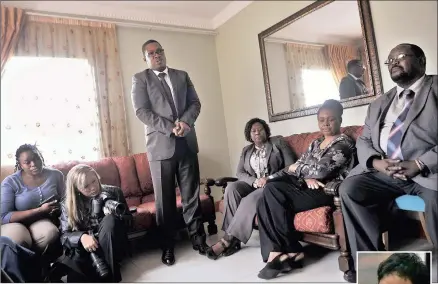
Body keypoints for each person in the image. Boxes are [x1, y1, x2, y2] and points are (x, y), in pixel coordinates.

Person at [339, 43, 437, 283]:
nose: (393, 62)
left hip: (427, 172)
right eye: (389, 59)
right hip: (385, 171)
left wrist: (420, 163)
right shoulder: (379, 103)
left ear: (422, 60)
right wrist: (376, 162)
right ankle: (373, 268)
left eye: (401, 56)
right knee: (350, 189)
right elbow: (363, 140)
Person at [256, 99, 356, 280]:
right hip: (306, 186)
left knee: (272, 192)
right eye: (321, 119)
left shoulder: (344, 143)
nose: (325, 124)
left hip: (326, 191)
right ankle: (288, 252)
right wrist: (305, 175)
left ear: (340, 120)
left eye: (331, 119)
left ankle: (281, 251)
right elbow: (298, 166)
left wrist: (303, 171)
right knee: (267, 192)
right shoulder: (315, 143)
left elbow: (322, 170)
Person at [131, 39, 207, 266]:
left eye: (159, 51)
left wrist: (185, 122)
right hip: (160, 147)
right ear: (145, 58)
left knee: (191, 195)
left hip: (187, 143)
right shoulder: (140, 79)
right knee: (164, 201)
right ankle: (167, 246)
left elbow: (195, 103)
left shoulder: (182, 75)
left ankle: (199, 240)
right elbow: (142, 111)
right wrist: (169, 127)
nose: (157, 55)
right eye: (151, 53)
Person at [207, 118, 295, 260]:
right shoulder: (247, 150)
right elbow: (240, 173)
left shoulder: (278, 142)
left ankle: (228, 239)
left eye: (260, 129)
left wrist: (269, 178)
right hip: (254, 184)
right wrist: (254, 182)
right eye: (253, 131)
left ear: (266, 130)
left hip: (273, 184)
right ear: (249, 135)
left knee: (249, 198)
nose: (257, 132)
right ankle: (234, 240)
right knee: (231, 188)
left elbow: (291, 167)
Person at [59, 164, 130, 283]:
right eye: (86, 186)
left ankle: (112, 278)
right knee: (77, 278)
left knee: (110, 221)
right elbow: (64, 236)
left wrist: (117, 216)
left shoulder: (114, 192)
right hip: (86, 250)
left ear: (98, 177)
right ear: (77, 189)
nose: (93, 187)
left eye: (94, 181)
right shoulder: (68, 205)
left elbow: (129, 221)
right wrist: (81, 237)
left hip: (110, 244)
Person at [1, 144, 64, 254]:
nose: (34, 164)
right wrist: (39, 210)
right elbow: (4, 216)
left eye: (36, 158)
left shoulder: (56, 175)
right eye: (27, 162)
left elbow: (66, 200)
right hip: (15, 223)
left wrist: (58, 208)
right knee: (19, 240)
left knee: (51, 233)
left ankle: (42, 267)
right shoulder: (10, 182)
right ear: (20, 165)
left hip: (42, 220)